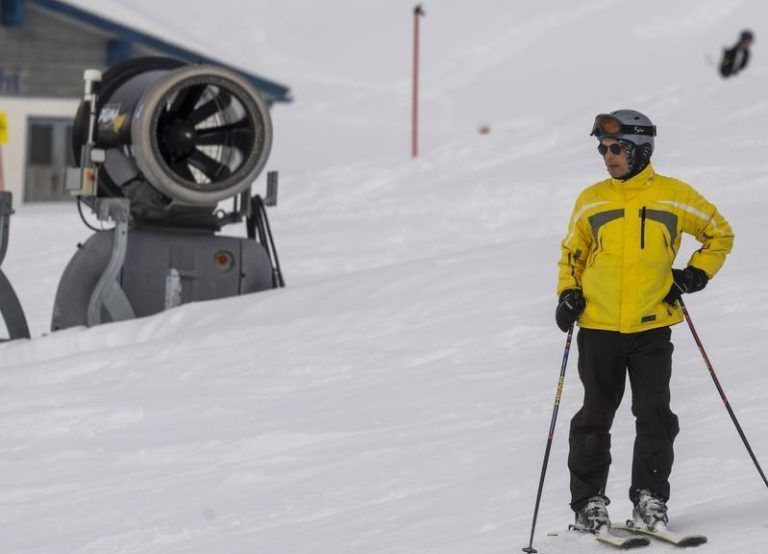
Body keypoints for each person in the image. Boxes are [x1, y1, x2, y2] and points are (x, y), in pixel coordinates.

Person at [555, 110, 734, 532]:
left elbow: (719, 233)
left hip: (652, 327)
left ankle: (650, 499)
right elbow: (572, 254)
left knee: (654, 416)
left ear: (640, 149)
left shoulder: (674, 195)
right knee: (594, 416)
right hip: (598, 327)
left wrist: (694, 275)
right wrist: (568, 292)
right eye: (602, 148)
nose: (607, 156)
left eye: (616, 148)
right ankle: (588, 504)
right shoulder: (592, 199)